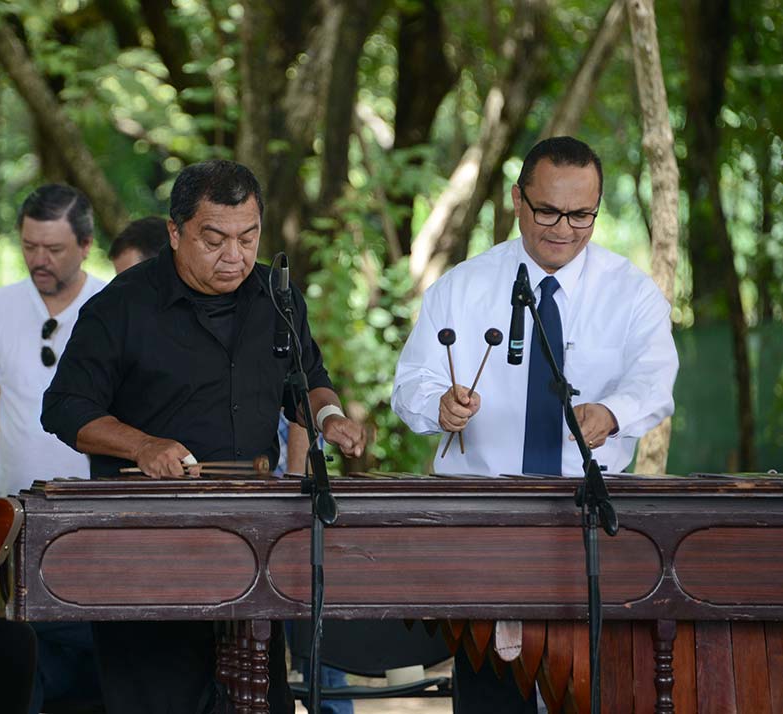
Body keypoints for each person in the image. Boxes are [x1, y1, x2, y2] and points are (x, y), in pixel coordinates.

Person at [42, 159, 366, 714]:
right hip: (148, 554)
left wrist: (330, 417)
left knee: (256, 704)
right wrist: (142, 445)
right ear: (175, 232)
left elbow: (307, 382)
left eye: (248, 237)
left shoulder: (277, 298)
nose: (235, 256)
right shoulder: (121, 306)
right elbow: (65, 408)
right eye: (214, 239)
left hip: (253, 552)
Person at [392, 136, 679, 712]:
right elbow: (409, 384)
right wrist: (438, 406)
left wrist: (612, 412)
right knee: (493, 694)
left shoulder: (630, 293)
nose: (563, 228)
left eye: (581, 215)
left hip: (586, 524)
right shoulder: (463, 287)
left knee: (588, 689)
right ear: (517, 201)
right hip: (484, 525)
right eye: (547, 211)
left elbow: (655, 381)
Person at [0, 184, 107, 496]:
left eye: (54, 250)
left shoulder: (112, 306)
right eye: (29, 247)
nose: (39, 260)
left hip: (95, 498)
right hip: (11, 498)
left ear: (86, 245)